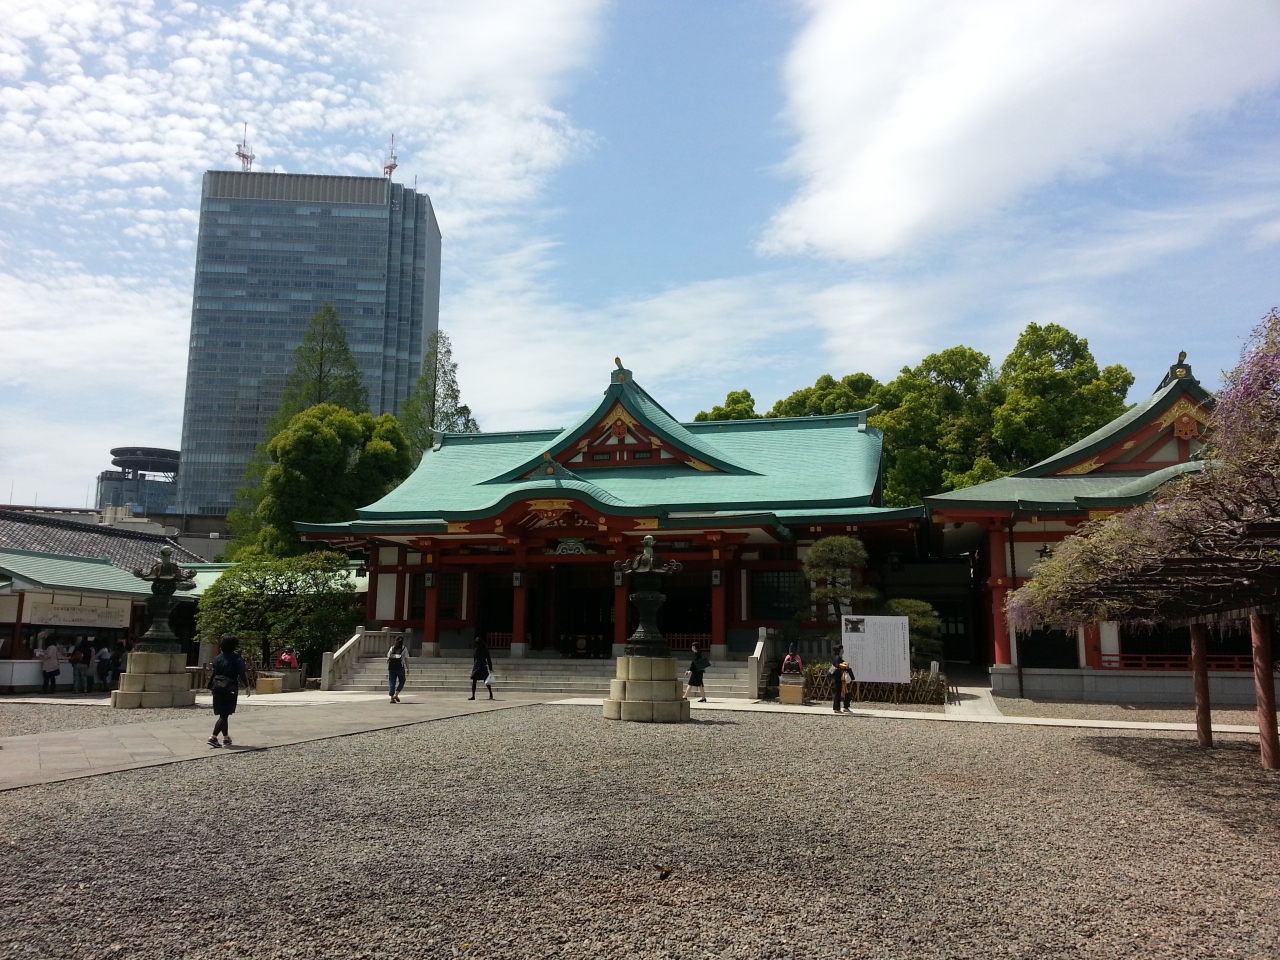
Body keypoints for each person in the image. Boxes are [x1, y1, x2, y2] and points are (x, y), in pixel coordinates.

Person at [208, 634, 250, 747]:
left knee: (223, 713)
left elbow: (214, 672)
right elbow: (242, 673)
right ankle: (213, 737)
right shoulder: (237, 658)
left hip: (217, 686)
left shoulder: (218, 658)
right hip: (229, 686)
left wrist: (210, 685)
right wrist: (247, 686)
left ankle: (226, 738)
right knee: (224, 714)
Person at [828, 645, 855, 713]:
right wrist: (844, 666)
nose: (843, 650)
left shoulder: (839, 658)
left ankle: (845, 707)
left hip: (841, 678)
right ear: (839, 650)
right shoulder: (837, 658)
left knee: (846, 692)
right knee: (838, 692)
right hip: (838, 678)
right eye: (841, 649)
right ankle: (836, 708)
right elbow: (838, 666)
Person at [387, 637, 408, 704]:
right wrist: (408, 668)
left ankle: (391, 698)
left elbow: (388, 657)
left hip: (391, 667)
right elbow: (406, 659)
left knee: (392, 682)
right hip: (400, 667)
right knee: (402, 680)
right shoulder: (404, 648)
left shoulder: (392, 648)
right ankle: (396, 694)